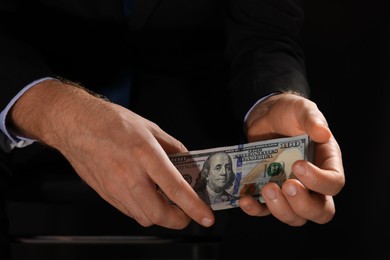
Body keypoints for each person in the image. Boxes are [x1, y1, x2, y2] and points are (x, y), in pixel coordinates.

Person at [0, 0, 345, 259]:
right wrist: (52, 110)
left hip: (196, 99)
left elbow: (265, 29)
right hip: (23, 88)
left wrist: (269, 99)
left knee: (283, 213)